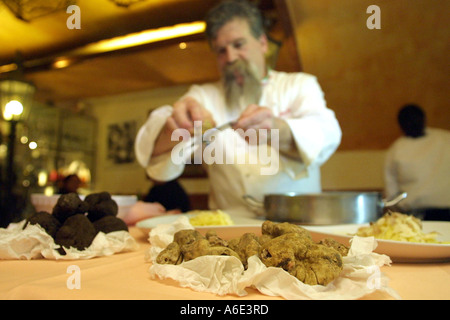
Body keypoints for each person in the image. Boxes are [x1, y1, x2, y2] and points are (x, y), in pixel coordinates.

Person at [134, 0, 341, 215]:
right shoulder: (204, 96)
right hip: (229, 231)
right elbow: (157, 166)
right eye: (221, 51)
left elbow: (326, 134)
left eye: (239, 44)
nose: (230, 57)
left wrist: (276, 129)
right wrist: (175, 127)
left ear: (262, 43)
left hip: (298, 223)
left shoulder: (299, 85)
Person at [384, 104, 450, 221]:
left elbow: (391, 195)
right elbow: (392, 195)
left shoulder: (396, 150)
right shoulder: (445, 138)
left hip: (421, 215)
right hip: (418, 216)